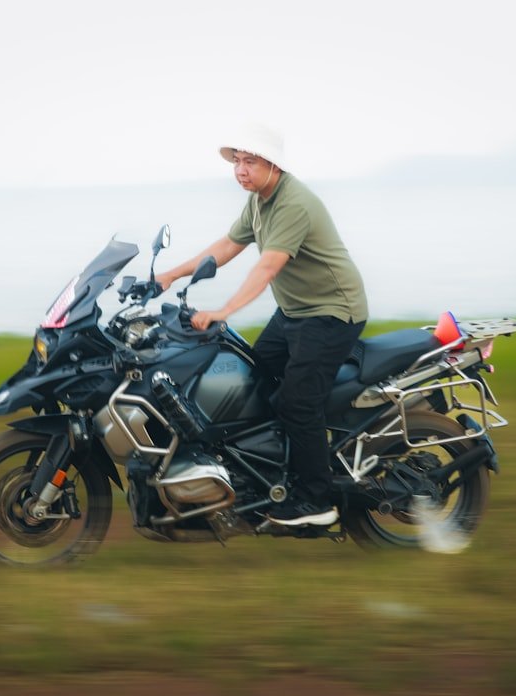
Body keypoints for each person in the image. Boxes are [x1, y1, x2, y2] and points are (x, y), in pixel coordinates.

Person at [155, 124, 368, 526]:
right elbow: (226, 247)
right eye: (237, 161)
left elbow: (268, 265)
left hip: (332, 312)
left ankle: (316, 501)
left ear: (274, 164)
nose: (240, 170)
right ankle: (274, 469)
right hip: (295, 312)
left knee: (297, 403)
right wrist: (170, 275)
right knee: (253, 378)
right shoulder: (259, 201)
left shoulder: (293, 204)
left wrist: (225, 310)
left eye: (249, 161)